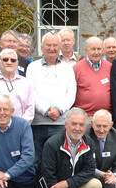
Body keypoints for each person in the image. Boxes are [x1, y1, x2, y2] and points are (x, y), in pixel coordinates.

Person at [37, 108, 103, 188]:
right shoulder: (52, 144)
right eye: (73, 124)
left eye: (82, 125)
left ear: (86, 126)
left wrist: (68, 183)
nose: (77, 128)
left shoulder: (88, 142)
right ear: (65, 124)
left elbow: (89, 170)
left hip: (68, 187)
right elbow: (48, 177)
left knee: (95, 184)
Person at [26, 32, 77, 174]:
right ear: (42, 47)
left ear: (60, 47)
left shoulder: (67, 68)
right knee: (37, 161)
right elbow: (30, 93)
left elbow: (71, 94)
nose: (52, 48)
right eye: (48, 45)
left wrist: (58, 110)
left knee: (60, 161)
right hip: (38, 123)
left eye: (55, 45)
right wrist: (46, 110)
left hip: (60, 123)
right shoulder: (32, 67)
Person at [0, 48, 35, 122]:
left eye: (13, 60)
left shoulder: (27, 83)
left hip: (21, 130)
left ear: (17, 63)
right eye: (5, 59)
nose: (9, 62)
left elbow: (30, 108)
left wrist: (21, 126)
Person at [72, 36, 113, 119]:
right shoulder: (76, 69)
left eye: (99, 49)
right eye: (93, 49)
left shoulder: (110, 67)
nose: (96, 52)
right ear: (86, 50)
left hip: (106, 116)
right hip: (85, 116)